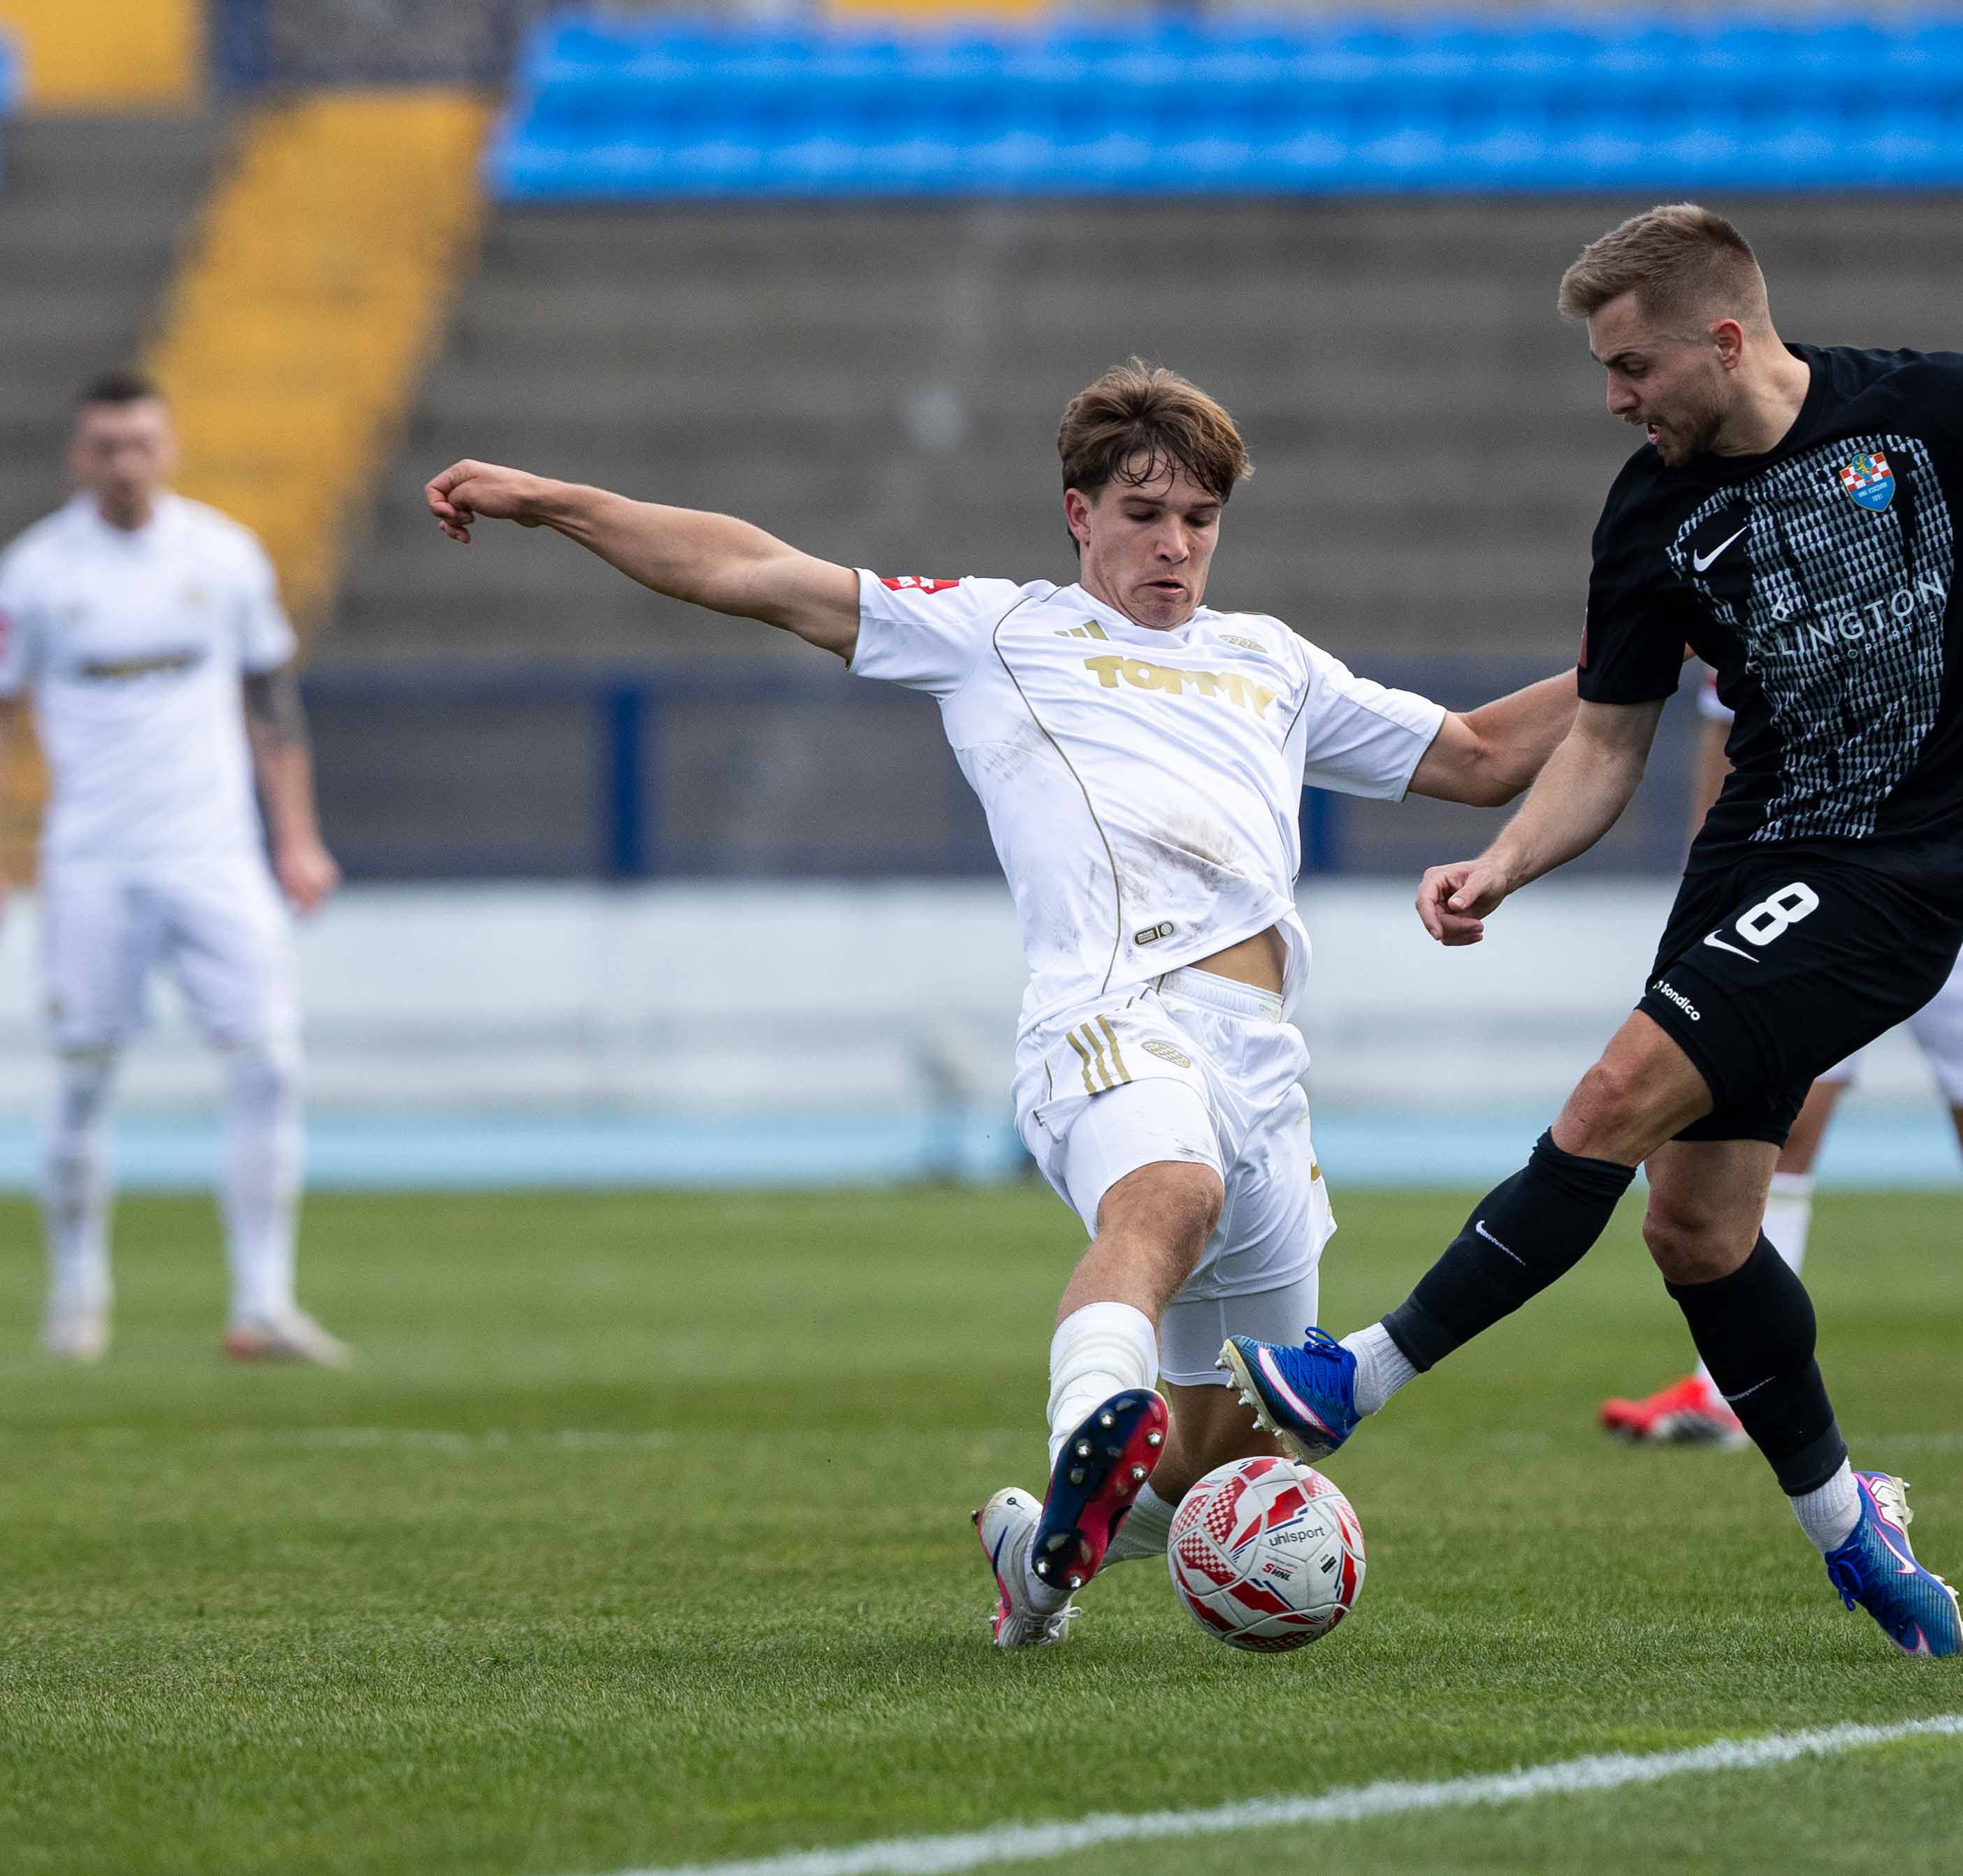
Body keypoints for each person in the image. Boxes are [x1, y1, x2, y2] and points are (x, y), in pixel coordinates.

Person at [419, 363, 1576, 1648]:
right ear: (1077, 514)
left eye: (1199, 518)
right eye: (1144, 514)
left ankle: (1038, 1555)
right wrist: (548, 501)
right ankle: (1092, 1417)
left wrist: (1643, 641)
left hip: (1263, 1064)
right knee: (1167, 1196)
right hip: (1112, 1012)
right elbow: (752, 570)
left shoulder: (1271, 663)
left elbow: (1479, 757)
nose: (1175, 543)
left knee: (1228, 1467)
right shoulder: (994, 629)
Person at [1226, 188, 1963, 1659]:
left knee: (1612, 1095)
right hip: (1750, 863)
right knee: (1698, 1232)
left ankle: (1356, 1376)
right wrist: (1505, 862)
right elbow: (1607, 746)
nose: (1617, 398)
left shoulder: (1932, 414)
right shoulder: (1650, 513)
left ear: (1724, 333)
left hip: (1901, 874)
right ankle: (1854, 1527)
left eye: (1632, 368)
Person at [1600, 544, 1963, 1454]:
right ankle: (1724, 1390)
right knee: (1782, 1129)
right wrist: (1710, 881)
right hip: (1813, 888)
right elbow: (1721, 724)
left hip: (1960, 885)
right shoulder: (1759, 536)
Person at [0, 372, 347, 1367]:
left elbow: (270, 700)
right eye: (104, 446)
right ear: (78, 457)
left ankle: (263, 1302)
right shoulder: (34, 573)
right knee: (79, 1075)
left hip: (214, 853)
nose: (123, 462)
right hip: (91, 860)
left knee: (270, 1061)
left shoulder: (223, 557)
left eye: (139, 442)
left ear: (170, 447)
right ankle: (76, 1294)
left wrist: (297, 838)